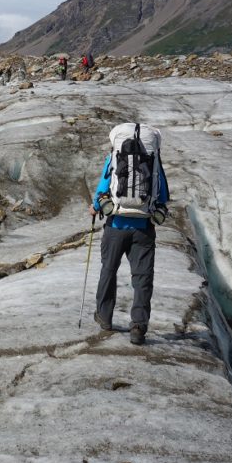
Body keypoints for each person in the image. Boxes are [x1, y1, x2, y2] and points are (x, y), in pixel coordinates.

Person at [88, 136, 169, 345]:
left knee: (108, 270)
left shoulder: (115, 158)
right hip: (143, 228)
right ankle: (138, 327)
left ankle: (105, 317)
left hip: (115, 225)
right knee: (142, 278)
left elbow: (104, 186)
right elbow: (163, 194)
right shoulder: (152, 160)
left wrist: (95, 207)